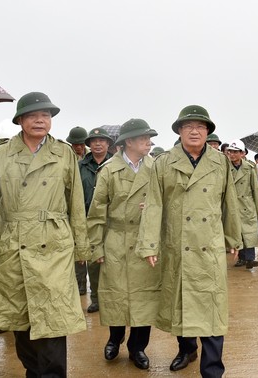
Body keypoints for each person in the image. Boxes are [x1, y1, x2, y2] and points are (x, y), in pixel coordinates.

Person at [0, 92, 89, 377]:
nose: (40, 120)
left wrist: (81, 248)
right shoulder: (1, 155)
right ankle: (33, 372)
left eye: (45, 115)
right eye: (33, 115)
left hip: (54, 243)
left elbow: (75, 203)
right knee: (20, 318)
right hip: (14, 242)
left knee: (53, 318)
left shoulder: (63, 154)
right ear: (20, 120)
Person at [137, 105, 242, 377]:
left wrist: (234, 238)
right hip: (177, 243)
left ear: (207, 132)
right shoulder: (164, 162)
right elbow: (154, 205)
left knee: (212, 307)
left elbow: (229, 200)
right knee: (182, 302)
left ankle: (212, 369)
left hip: (210, 243)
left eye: (200, 126)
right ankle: (186, 350)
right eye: (188, 126)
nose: (194, 131)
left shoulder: (220, 162)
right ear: (180, 131)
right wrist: (150, 244)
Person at [87, 118, 161, 370]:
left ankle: (137, 347)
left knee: (145, 298)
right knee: (115, 295)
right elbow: (97, 212)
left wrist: (152, 207)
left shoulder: (156, 168)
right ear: (129, 142)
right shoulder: (109, 170)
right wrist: (95, 246)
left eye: (149, 138)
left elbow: (166, 201)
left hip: (146, 241)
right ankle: (115, 338)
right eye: (144, 138)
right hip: (116, 239)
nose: (149, 143)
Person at [80, 127, 115, 313]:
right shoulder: (81, 166)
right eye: (94, 141)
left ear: (108, 144)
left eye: (102, 140)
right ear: (89, 145)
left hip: (112, 219)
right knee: (93, 261)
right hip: (89, 219)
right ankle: (96, 298)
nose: (98, 144)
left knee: (113, 260)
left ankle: (112, 298)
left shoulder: (116, 163)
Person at [225, 139, 258, 269]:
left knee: (249, 232)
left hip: (247, 205)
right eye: (231, 151)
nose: (233, 154)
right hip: (231, 204)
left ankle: (250, 259)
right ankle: (241, 259)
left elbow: (255, 189)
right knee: (237, 232)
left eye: (236, 152)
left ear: (242, 153)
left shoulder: (249, 168)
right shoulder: (225, 168)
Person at [66, 126, 89, 296]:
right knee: (77, 248)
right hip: (72, 207)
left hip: (88, 206)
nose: (78, 147)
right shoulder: (67, 156)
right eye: (75, 144)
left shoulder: (89, 158)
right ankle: (80, 283)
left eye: (81, 144)